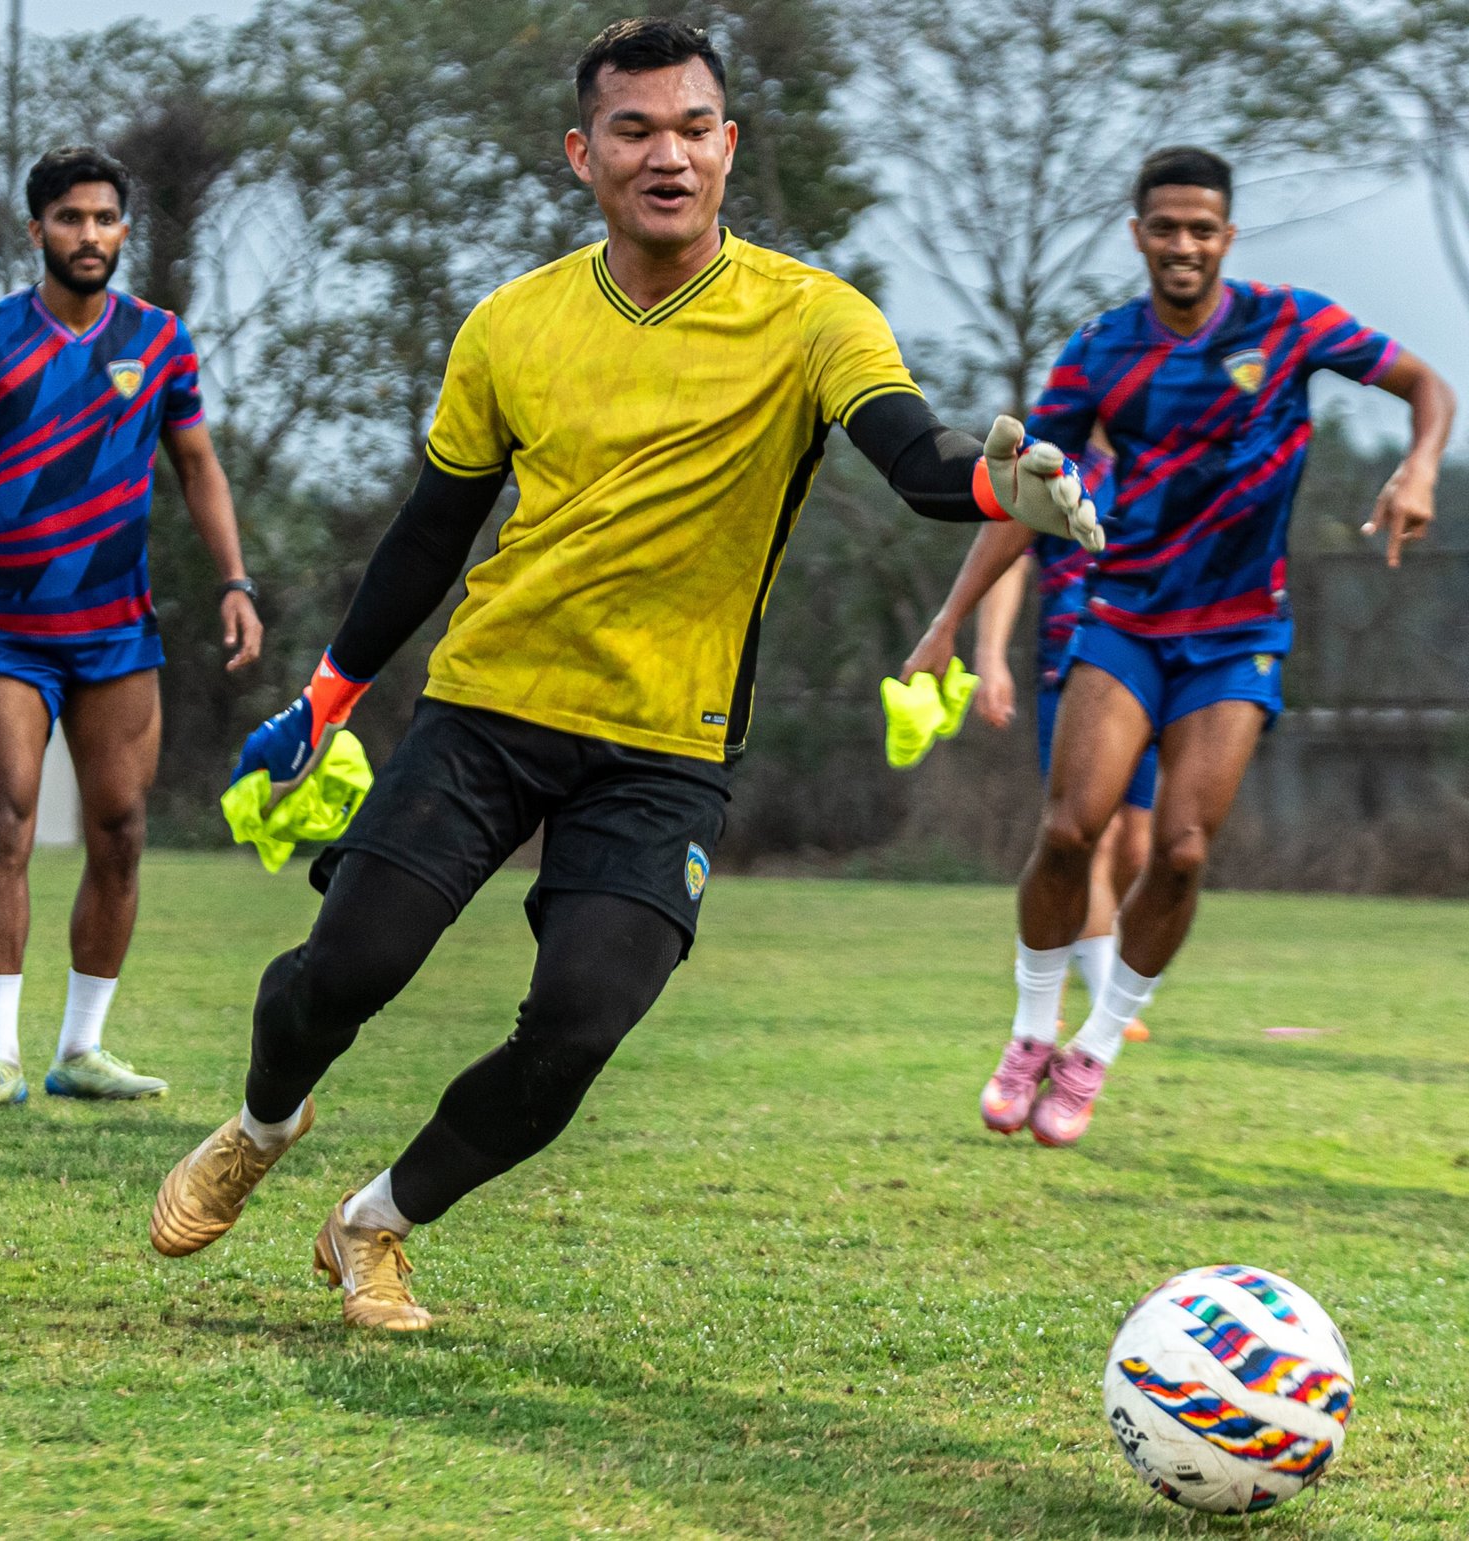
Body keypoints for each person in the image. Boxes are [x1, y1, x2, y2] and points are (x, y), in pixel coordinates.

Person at [148, 17, 1102, 1330]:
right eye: (635, 129)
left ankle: (375, 1224)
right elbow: (433, 529)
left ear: (730, 144)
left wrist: (1003, 481)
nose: (669, 154)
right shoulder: (513, 324)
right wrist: (328, 696)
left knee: (583, 1023)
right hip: (488, 710)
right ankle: (263, 1122)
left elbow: (916, 453)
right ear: (581, 153)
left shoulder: (813, 317)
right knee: (346, 968)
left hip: (667, 748)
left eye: (694, 127)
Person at [963, 145, 1453, 1147]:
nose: (1182, 243)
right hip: (1124, 619)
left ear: (1225, 238)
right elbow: (1021, 493)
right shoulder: (1099, 351)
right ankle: (1027, 1032)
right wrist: (950, 626)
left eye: (1201, 228)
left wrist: (1417, 470)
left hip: (1237, 634)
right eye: (1165, 226)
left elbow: (1424, 385)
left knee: (1180, 851)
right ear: (1138, 234)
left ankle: (1092, 1048)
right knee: (1069, 831)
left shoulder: (1289, 321)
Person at [0, 145, 263, 1109]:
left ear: (124, 230)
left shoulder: (162, 340)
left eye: (103, 218)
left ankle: (81, 1050)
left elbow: (198, 467)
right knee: (5, 816)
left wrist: (235, 580)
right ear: (37, 229)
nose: (88, 234)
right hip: (9, 630)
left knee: (122, 830)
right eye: (68, 218)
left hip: (118, 633)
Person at [903, 436, 1157, 1062]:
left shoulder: (1161, 447)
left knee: (1138, 843)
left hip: (1153, 658)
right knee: (1086, 835)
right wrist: (989, 658)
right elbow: (1009, 557)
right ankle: (1105, 997)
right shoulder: (1055, 460)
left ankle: (1086, 947)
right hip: (1071, 667)